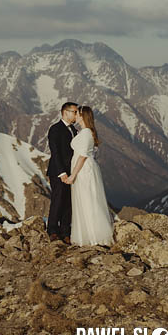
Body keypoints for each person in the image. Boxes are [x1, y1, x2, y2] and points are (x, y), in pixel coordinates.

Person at [61, 105, 114, 246]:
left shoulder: (85, 134)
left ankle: (94, 237)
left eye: (77, 114)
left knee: (87, 200)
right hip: (83, 169)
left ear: (83, 116)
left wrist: (73, 175)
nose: (75, 116)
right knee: (85, 199)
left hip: (83, 170)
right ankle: (89, 235)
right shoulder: (85, 132)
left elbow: (83, 156)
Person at [46, 102, 78, 243]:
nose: (77, 115)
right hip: (58, 172)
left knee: (69, 202)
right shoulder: (55, 129)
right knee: (58, 200)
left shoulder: (74, 130)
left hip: (71, 173)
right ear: (65, 112)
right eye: (74, 112)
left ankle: (65, 231)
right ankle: (52, 230)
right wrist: (62, 172)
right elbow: (55, 152)